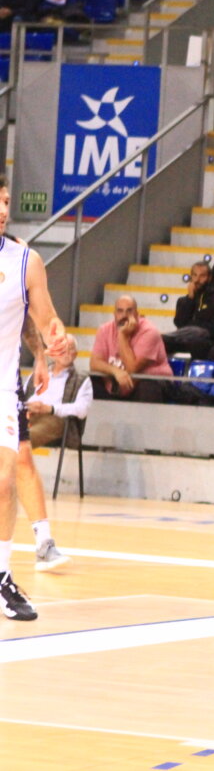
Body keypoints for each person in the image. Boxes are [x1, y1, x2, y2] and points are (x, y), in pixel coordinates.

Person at [0, 182, 73, 620]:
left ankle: (0, 575)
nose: (3, 209)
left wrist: (59, 344)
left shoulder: (26, 261)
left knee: (5, 480)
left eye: (7, 201)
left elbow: (48, 321)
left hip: (0, 386)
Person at [17, 322, 81, 576]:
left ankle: (44, 543)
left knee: (22, 457)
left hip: (11, 384)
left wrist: (41, 356)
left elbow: (34, 320)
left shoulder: (18, 282)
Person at [90, 295, 172, 403]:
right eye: (120, 311)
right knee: (89, 381)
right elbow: (94, 363)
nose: (124, 316)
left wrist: (122, 336)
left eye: (129, 311)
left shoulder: (149, 332)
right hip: (119, 385)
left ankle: (144, 420)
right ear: (114, 314)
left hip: (150, 384)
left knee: (147, 386)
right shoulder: (104, 330)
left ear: (137, 315)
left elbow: (132, 369)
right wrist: (115, 371)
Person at [162, 261, 214, 360]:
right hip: (184, 338)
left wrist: (194, 327)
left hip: (206, 341)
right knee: (159, 340)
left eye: (202, 276)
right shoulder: (183, 301)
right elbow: (179, 323)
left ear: (209, 278)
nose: (197, 280)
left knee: (197, 342)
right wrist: (190, 299)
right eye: (195, 275)